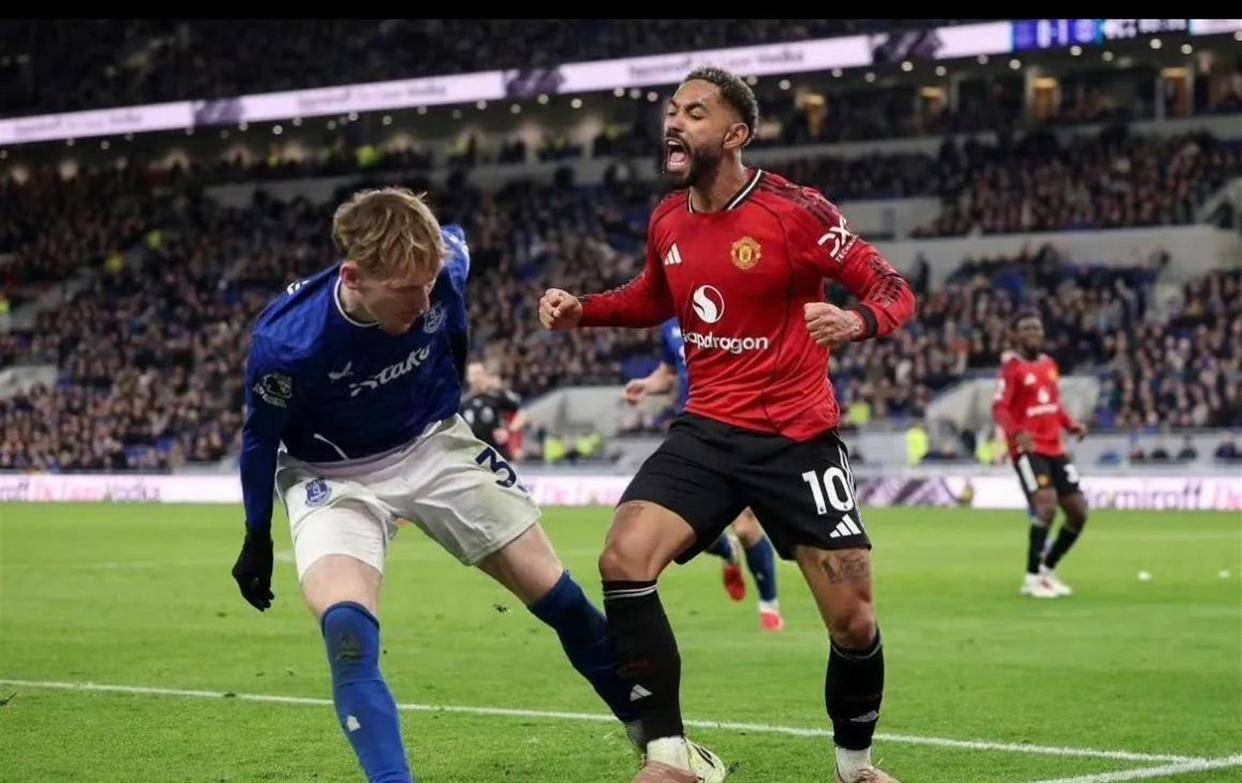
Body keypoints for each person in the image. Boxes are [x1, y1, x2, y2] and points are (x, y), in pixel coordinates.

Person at [540, 67, 914, 783]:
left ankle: (857, 765)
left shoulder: (795, 211)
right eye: (672, 110)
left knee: (854, 620)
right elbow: (653, 297)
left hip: (796, 439)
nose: (674, 122)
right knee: (624, 557)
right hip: (708, 431)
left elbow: (892, 286)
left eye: (695, 112)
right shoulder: (667, 218)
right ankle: (670, 754)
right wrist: (583, 310)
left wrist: (859, 320)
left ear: (736, 133)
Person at [231, 187, 644, 782]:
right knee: (347, 631)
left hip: (433, 443)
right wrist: (257, 536)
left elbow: (452, 276)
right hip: (331, 474)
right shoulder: (287, 343)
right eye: (406, 289)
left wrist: (447, 385)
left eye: (428, 284)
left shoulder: (445, 263)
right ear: (353, 277)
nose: (424, 300)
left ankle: (660, 741)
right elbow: (259, 441)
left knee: (562, 601)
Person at [625, 318, 785, 632]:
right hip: (694, 434)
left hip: (742, 428)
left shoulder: (730, 309)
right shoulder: (671, 325)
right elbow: (670, 372)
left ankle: (769, 605)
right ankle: (726, 551)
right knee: (685, 531)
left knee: (745, 525)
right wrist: (647, 384)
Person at [992, 311, 1090, 600]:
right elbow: (1000, 408)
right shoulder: (1012, 368)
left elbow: (1054, 405)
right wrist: (1016, 433)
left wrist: (1071, 425)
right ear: (1016, 335)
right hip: (1028, 448)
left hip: (1055, 447)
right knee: (1046, 506)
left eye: (1037, 327)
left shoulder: (1049, 365)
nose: (1033, 332)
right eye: (1026, 328)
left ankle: (1048, 569)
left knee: (1078, 512)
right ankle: (1032, 578)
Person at [462, 360, 526, 461]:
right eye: (473, 374)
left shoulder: (497, 397)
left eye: (478, 373)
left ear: (485, 375)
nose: (476, 378)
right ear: (468, 377)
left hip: (497, 455)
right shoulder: (464, 402)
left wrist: (508, 431)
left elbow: (522, 415)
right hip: (473, 456)